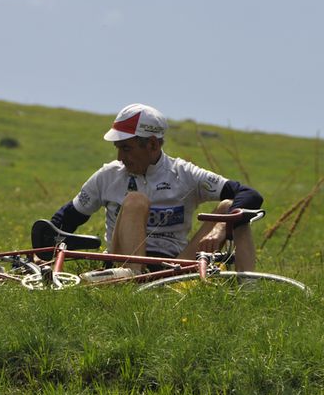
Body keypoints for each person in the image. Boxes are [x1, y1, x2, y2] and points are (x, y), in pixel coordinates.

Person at [48, 103, 263, 275]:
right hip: (121, 264)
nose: (120, 158)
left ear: (152, 145)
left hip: (175, 267)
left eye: (126, 148)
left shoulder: (184, 173)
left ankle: (248, 293)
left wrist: (220, 228)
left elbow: (250, 195)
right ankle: (132, 278)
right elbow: (66, 219)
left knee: (230, 209)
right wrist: (40, 255)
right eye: (118, 149)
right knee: (135, 201)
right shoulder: (108, 175)